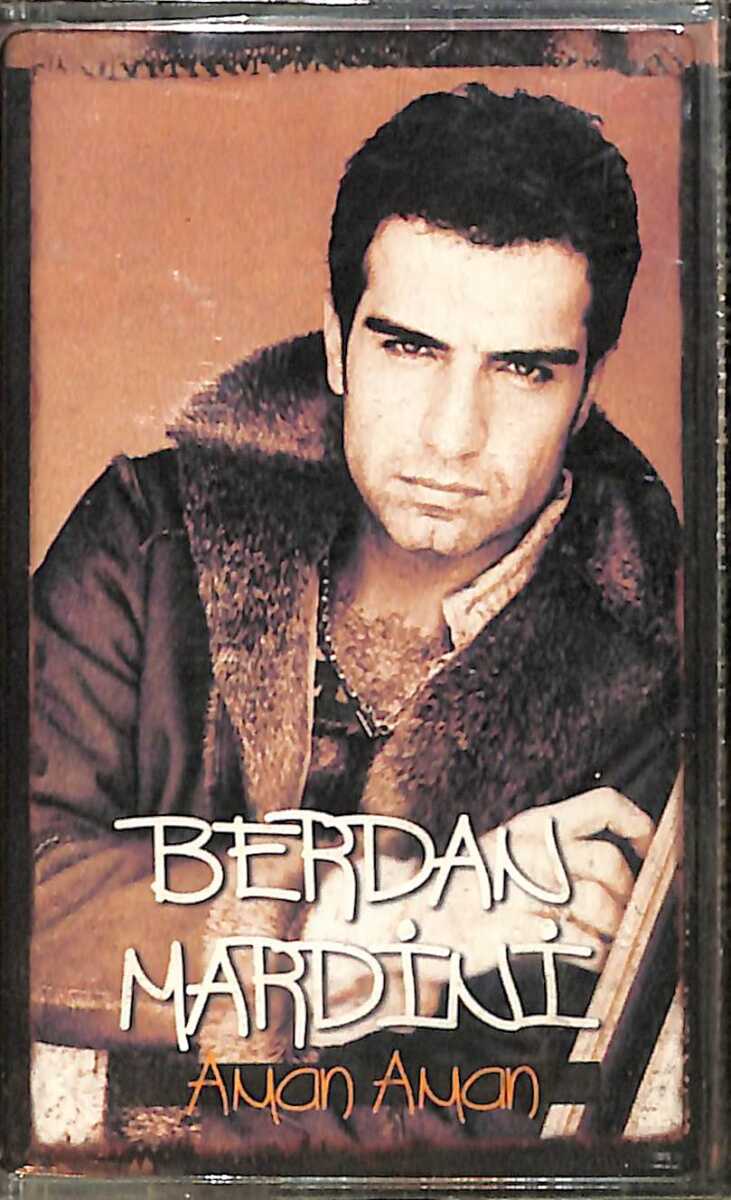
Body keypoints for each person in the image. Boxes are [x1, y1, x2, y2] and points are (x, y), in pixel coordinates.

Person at [30, 83, 680, 1153]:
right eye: (410, 349)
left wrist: (113, 1105)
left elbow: (535, 1116)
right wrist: (387, 925)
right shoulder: (145, 536)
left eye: (522, 370)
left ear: (586, 387)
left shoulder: (665, 660)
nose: (452, 434)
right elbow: (27, 903)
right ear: (337, 343)